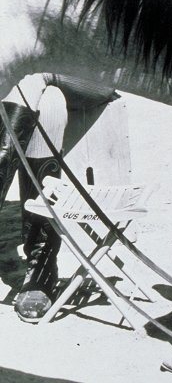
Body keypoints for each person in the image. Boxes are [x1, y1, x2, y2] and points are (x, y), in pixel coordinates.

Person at [0, 74, 119, 322]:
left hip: (88, 73)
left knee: (31, 77)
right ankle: (42, 265)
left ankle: (42, 258)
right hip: (38, 81)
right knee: (50, 102)